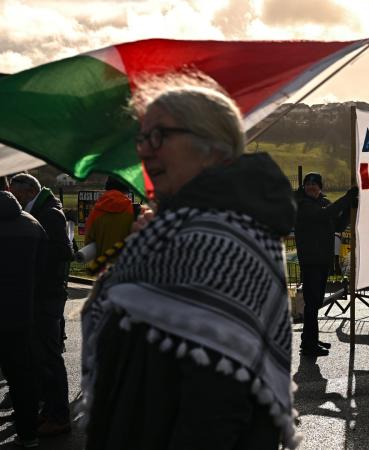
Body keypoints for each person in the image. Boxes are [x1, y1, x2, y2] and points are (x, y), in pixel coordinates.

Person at [79, 73, 300, 449]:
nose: (145, 151)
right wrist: (140, 253)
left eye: (160, 135)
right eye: (143, 137)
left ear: (213, 147)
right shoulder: (171, 233)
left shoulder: (220, 240)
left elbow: (214, 411)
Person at [9, 172, 73, 437]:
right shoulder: (46, 210)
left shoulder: (48, 214)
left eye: (15, 194)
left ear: (26, 193)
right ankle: (49, 412)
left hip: (46, 296)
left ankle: (59, 416)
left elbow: (63, 254)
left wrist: (35, 276)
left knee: (49, 357)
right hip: (46, 294)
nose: (14, 200)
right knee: (42, 355)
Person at [0, 188, 47, 448]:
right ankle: (29, 434)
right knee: (21, 377)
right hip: (20, 313)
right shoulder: (32, 224)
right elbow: (43, 268)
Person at [294, 173, 357, 357]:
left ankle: (310, 338)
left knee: (316, 302)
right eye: (308, 184)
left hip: (322, 260)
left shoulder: (323, 202)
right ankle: (309, 345)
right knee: (312, 303)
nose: (311, 187)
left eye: (315, 184)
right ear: (304, 187)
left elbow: (337, 224)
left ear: (320, 187)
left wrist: (349, 208)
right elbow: (323, 216)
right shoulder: (302, 205)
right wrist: (346, 198)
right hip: (311, 261)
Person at [84, 176, 135, 266]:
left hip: (103, 265)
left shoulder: (96, 211)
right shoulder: (133, 210)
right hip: (127, 264)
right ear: (126, 190)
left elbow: (88, 241)